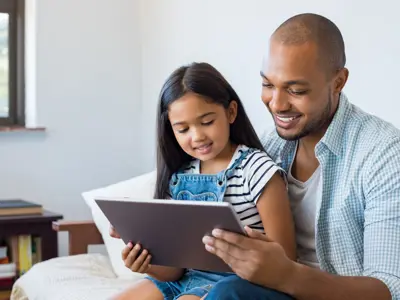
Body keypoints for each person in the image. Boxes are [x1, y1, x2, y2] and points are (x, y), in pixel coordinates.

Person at [201, 13, 400, 300]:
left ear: (338, 82)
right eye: (268, 85)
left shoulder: (383, 153)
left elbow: (390, 288)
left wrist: (287, 274)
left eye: (296, 90)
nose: (277, 104)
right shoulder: (268, 147)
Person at [111, 62, 297, 300]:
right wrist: (147, 263)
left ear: (231, 112)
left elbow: (287, 260)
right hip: (186, 281)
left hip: (240, 283)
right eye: (183, 129)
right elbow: (174, 271)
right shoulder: (179, 177)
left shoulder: (256, 170)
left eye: (207, 122)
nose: (197, 136)